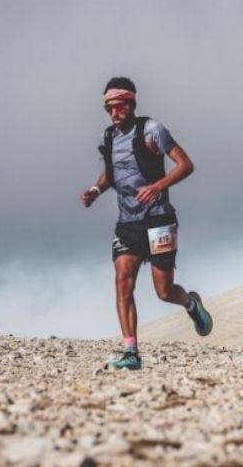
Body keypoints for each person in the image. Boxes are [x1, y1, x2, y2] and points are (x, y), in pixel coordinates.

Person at [80, 77, 212, 370]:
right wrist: (95, 190)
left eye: (119, 106)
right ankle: (131, 353)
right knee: (122, 282)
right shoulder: (108, 137)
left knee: (163, 292)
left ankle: (191, 304)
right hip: (127, 222)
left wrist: (157, 186)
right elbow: (111, 173)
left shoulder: (152, 130)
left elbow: (185, 164)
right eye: (109, 108)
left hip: (159, 217)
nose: (114, 113)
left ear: (132, 104)